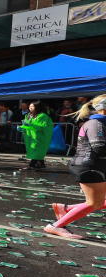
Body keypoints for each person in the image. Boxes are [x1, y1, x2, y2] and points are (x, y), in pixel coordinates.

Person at [46, 95, 106, 239]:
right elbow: (100, 148)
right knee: (94, 203)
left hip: (96, 166)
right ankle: (55, 226)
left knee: (97, 202)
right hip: (89, 167)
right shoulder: (96, 123)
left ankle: (65, 209)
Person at [19, 102, 53, 170]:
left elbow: (40, 126)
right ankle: (41, 164)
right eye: (29, 107)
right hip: (31, 136)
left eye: (32, 107)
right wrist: (22, 127)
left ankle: (32, 164)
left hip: (40, 136)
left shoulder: (42, 116)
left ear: (37, 107)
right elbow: (26, 125)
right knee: (35, 150)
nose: (30, 108)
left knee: (37, 150)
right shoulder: (28, 115)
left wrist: (28, 125)